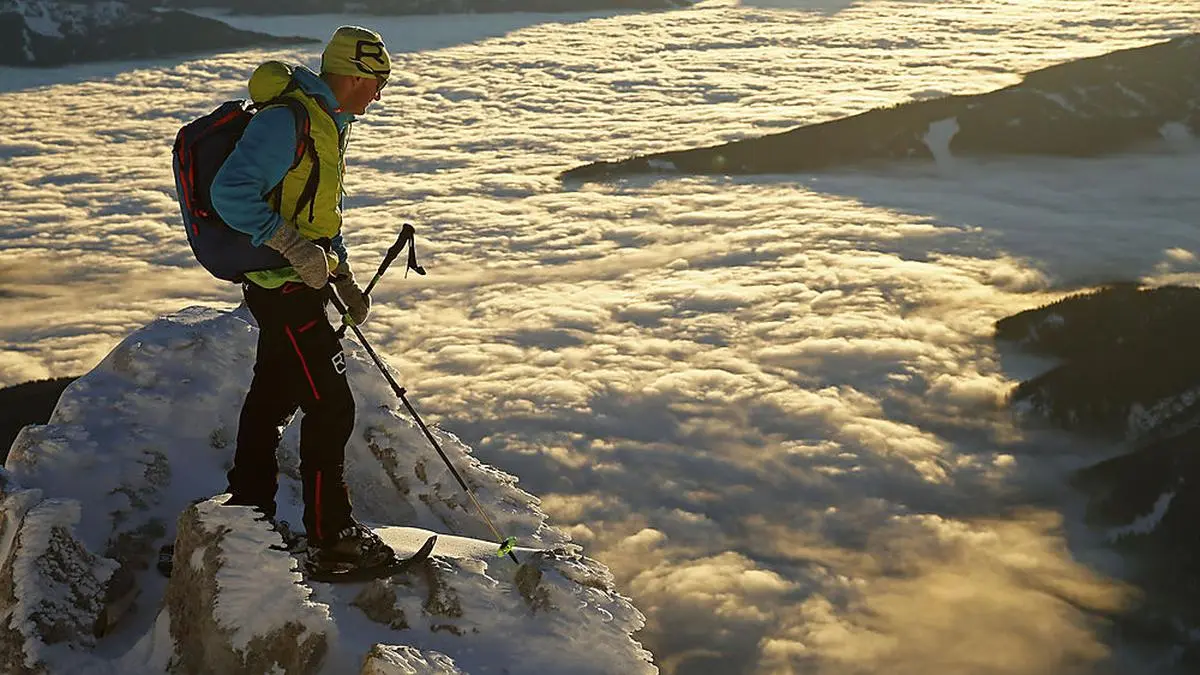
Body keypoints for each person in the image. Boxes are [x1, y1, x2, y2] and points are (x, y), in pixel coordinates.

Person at [210, 26, 394, 575]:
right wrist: (290, 246)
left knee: (271, 397)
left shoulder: (328, 124)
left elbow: (313, 212)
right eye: (376, 82)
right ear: (352, 74)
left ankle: (249, 512)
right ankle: (331, 538)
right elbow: (230, 194)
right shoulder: (286, 121)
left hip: (296, 284)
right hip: (283, 287)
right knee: (331, 405)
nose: (379, 95)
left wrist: (341, 275)